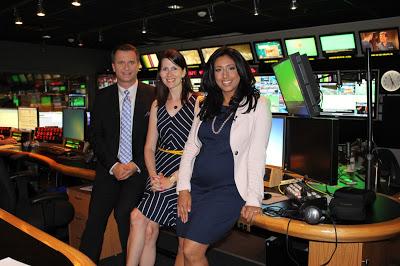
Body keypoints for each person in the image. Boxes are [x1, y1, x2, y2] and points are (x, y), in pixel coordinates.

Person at [176, 47, 272, 265]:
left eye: (230, 68)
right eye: (218, 70)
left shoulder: (258, 105)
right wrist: (183, 188)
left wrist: (254, 199)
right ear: (212, 74)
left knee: (192, 251)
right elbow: (191, 147)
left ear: (240, 71)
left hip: (228, 191)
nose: (225, 75)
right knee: (182, 249)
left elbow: (257, 154)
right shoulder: (204, 103)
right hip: (196, 187)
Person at [79, 43, 155, 264]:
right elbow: (96, 136)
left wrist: (133, 165)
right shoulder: (102, 97)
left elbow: (155, 140)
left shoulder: (154, 96)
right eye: (121, 62)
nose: (126, 67)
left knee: (124, 216)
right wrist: (114, 165)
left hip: (137, 172)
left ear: (138, 65)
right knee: (94, 221)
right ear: (113, 66)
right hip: (108, 170)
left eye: (131, 62)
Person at [126, 49, 196, 266]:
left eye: (174, 68)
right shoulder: (157, 104)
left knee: (138, 218)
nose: (169, 73)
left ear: (184, 72)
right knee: (146, 229)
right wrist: (155, 176)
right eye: (165, 68)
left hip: (184, 174)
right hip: (159, 171)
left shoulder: (197, 103)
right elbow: (149, 148)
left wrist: (172, 180)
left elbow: (198, 151)